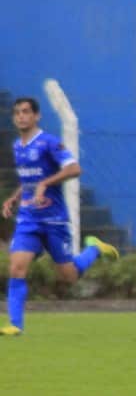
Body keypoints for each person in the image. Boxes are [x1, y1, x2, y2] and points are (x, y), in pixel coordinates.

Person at [1, 97, 119, 336]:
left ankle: (93, 248)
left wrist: (47, 182)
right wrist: (14, 197)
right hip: (28, 218)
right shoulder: (17, 146)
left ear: (37, 116)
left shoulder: (49, 143)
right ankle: (15, 325)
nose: (21, 116)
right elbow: (29, 180)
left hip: (54, 219)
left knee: (69, 277)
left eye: (26, 112)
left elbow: (74, 169)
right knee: (16, 268)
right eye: (17, 113)